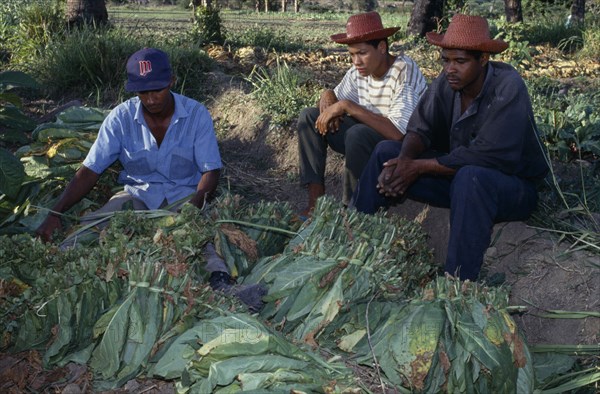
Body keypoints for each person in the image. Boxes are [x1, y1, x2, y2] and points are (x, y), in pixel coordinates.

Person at [35, 48, 265, 311]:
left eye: (157, 90)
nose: (151, 99)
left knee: (195, 238)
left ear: (171, 81)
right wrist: (55, 212)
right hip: (137, 195)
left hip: (183, 196)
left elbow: (211, 171)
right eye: (143, 92)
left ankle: (221, 284)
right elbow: (90, 170)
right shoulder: (121, 118)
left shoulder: (196, 114)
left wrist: (196, 202)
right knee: (95, 224)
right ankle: (55, 266)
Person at [352, 14, 549, 281]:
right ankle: (350, 239)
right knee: (387, 152)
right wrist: (404, 162)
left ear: (483, 59)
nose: (450, 69)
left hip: (510, 187)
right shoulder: (448, 82)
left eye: (460, 61)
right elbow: (420, 129)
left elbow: (484, 155)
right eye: (445, 60)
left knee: (471, 177)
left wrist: (417, 167)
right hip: (458, 179)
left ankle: (456, 281)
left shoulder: (507, 86)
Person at [297, 11, 427, 216]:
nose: (356, 61)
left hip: (398, 149)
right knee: (309, 116)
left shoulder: (404, 70)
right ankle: (315, 203)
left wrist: (348, 106)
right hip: (365, 139)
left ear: (382, 48)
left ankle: (353, 210)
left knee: (357, 133)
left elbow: (398, 134)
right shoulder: (359, 71)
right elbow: (332, 104)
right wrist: (328, 95)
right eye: (351, 54)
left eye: (362, 53)